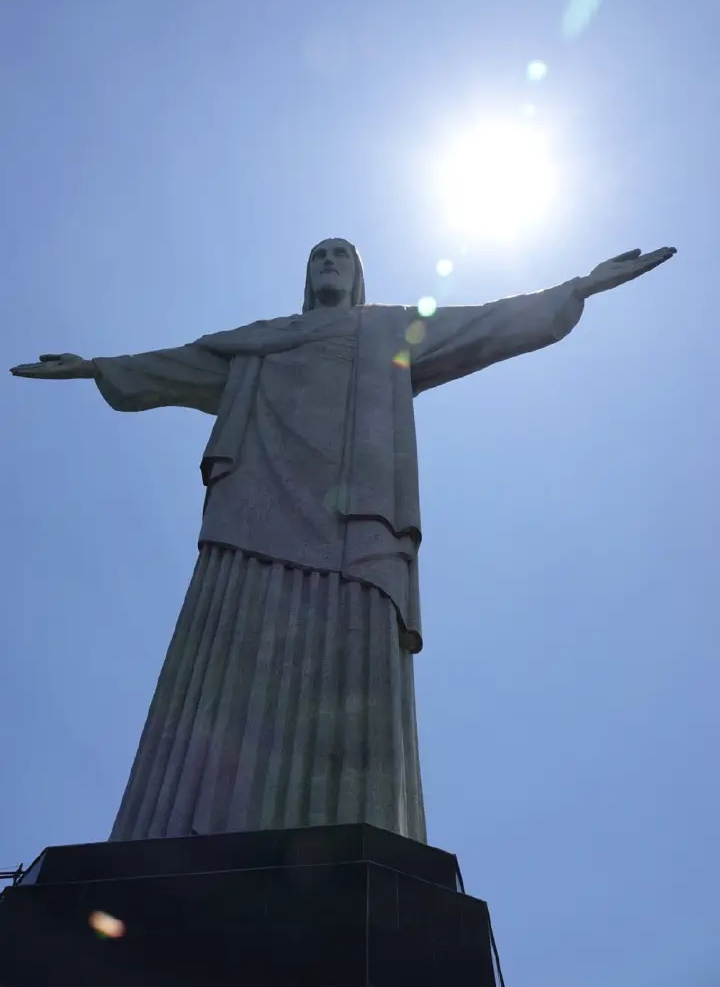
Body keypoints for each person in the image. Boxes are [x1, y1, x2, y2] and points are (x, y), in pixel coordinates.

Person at [11, 239, 676, 843]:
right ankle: (184, 827)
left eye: (342, 255)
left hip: (356, 525)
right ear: (305, 277)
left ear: (358, 278)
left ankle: (347, 817)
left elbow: (484, 324)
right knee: (228, 649)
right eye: (318, 255)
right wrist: (94, 367)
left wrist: (578, 288)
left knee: (350, 645)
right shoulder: (257, 341)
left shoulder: (388, 329)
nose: (328, 261)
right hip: (251, 516)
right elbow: (175, 365)